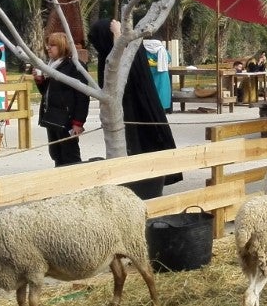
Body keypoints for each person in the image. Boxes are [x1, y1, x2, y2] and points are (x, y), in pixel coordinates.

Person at [88, 18, 178, 198]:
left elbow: (123, 64)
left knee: (142, 144)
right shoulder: (105, 55)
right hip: (123, 110)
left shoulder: (132, 50)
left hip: (137, 107)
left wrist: (118, 36)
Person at [34, 32, 91, 167]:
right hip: (52, 117)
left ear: (63, 46)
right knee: (56, 153)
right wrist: (40, 81)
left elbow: (82, 96)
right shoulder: (51, 65)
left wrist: (78, 122)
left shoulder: (74, 66)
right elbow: (48, 93)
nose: (48, 48)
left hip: (67, 118)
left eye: (53, 45)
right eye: (48, 44)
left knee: (70, 155)